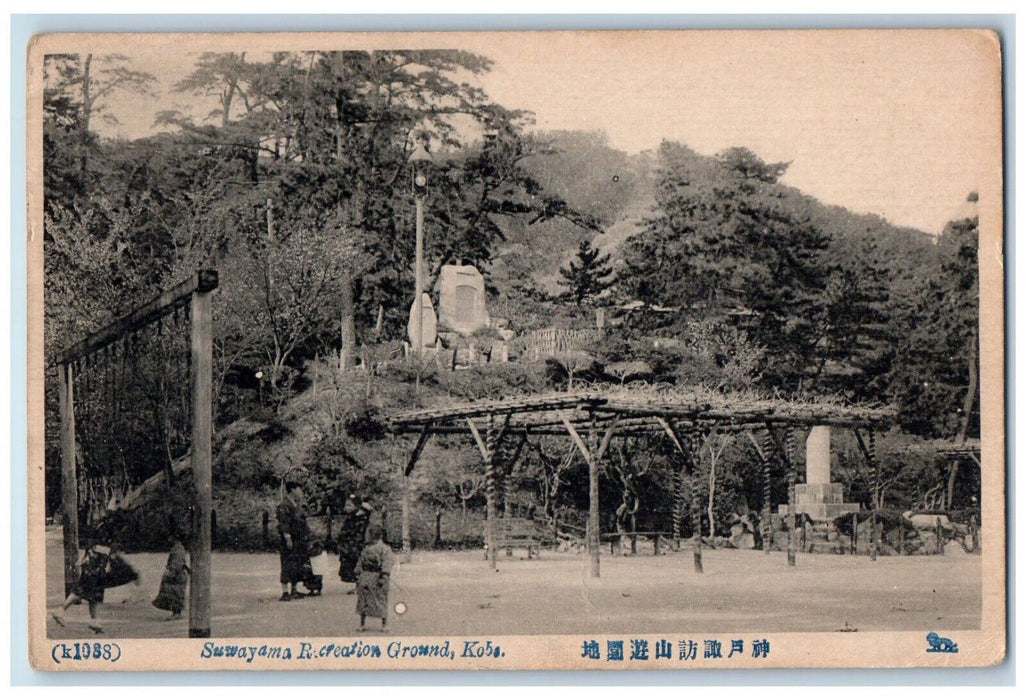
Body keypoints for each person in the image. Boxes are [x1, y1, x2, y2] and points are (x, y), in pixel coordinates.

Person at [53, 541, 139, 634]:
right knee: (83, 589)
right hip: (97, 558)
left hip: (97, 556)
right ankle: (61, 611)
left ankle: (92, 620)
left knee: (92, 592)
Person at [277, 480, 319, 601]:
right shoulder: (284, 505)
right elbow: (284, 523)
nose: (301, 492)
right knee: (287, 563)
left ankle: (294, 589)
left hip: (299, 539)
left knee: (296, 563)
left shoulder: (295, 504)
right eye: (299, 489)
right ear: (293, 490)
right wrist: (287, 537)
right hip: (291, 538)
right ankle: (285, 591)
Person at [355, 523, 393, 632]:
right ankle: (362, 624)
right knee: (363, 599)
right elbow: (360, 561)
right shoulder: (366, 548)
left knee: (380, 599)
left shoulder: (385, 549)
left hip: (378, 576)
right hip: (366, 575)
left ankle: (384, 624)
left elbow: (387, 562)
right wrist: (357, 573)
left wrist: (384, 575)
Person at [337, 494, 370, 592]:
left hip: (355, 545)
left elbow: (358, 533)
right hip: (349, 545)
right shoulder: (351, 516)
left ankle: (359, 585)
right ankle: (358, 585)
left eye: (349, 505)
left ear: (356, 506)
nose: (346, 507)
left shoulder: (360, 517)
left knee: (357, 564)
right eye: (346, 505)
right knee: (352, 565)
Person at [152, 533, 189, 620]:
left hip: (177, 574)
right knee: (173, 593)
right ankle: (176, 612)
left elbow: (176, 563)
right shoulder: (177, 548)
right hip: (177, 573)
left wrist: (171, 572)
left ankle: (177, 613)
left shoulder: (178, 549)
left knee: (175, 593)